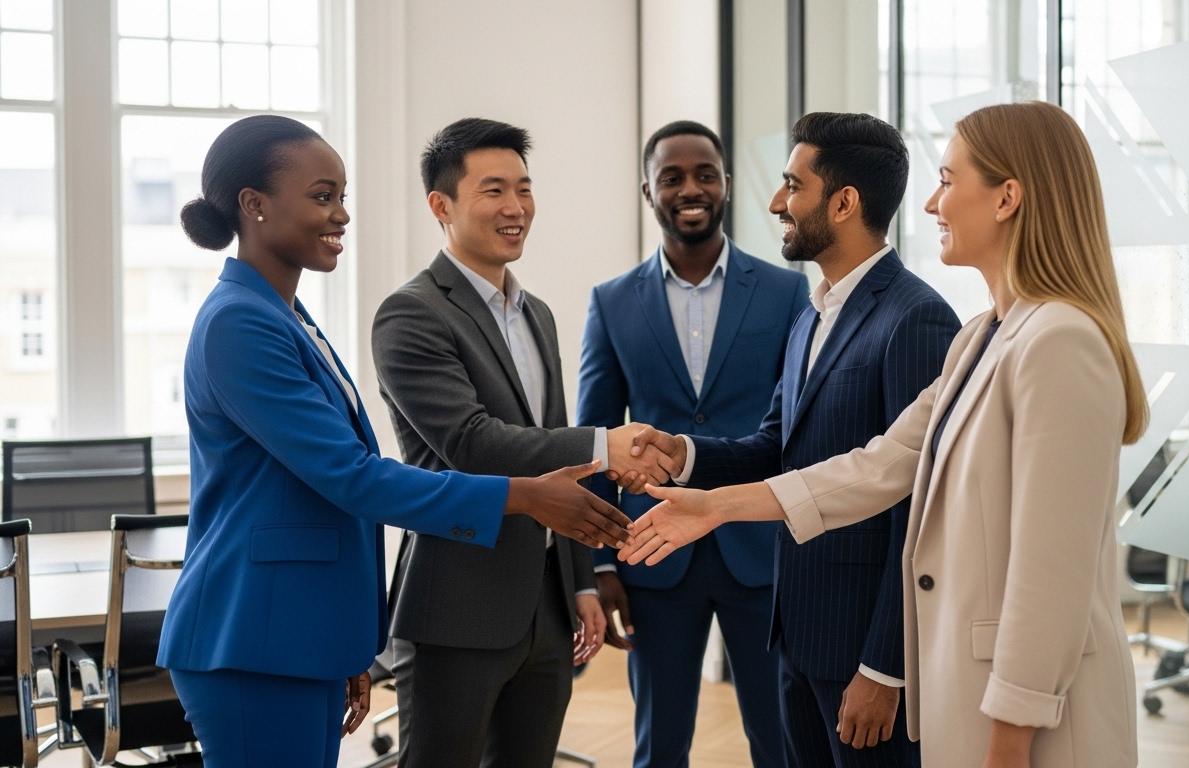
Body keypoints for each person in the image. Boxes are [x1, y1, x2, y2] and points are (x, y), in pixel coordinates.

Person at [620, 101, 1148, 768]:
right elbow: (876, 467)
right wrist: (715, 503)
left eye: (950, 181)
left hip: (1031, 719)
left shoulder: (1060, 341)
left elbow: (1053, 573)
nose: (931, 203)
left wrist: (1010, 736)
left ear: (1008, 197)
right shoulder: (982, 337)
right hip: (967, 692)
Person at [157, 115, 631, 768]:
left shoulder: (285, 316)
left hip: (296, 633)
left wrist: (346, 644)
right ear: (255, 205)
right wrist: (524, 497)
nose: (342, 215)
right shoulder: (240, 323)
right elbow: (353, 476)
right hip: (253, 635)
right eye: (322, 197)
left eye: (342, 197)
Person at [619, 112, 961, 767]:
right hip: (797, 634)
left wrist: (886, 669)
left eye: (791, 186)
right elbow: (779, 445)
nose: (776, 202)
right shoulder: (812, 312)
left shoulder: (916, 318)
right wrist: (684, 455)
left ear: (844, 202)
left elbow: (919, 514)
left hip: (862, 652)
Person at [371, 117, 677, 768]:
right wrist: (606, 445)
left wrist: (583, 585)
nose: (515, 208)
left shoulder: (535, 313)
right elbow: (471, 443)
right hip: (458, 603)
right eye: (493, 191)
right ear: (441, 206)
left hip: (545, 609)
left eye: (524, 188)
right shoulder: (412, 313)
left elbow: (551, 460)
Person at [576, 120, 810, 768]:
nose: (691, 188)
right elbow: (594, 435)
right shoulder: (613, 302)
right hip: (652, 556)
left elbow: (799, 427)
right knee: (660, 745)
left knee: (781, 739)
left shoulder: (786, 292)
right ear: (648, 191)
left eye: (705, 173)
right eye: (672, 177)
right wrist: (600, 565)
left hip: (761, 550)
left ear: (726, 185)